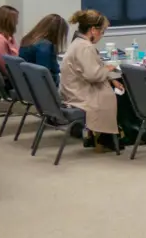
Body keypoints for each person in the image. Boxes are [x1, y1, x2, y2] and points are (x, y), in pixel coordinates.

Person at [60, 9, 122, 151]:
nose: (102, 35)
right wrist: (109, 70)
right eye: (102, 31)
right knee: (120, 94)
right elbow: (94, 75)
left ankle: (110, 136)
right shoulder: (85, 47)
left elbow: (91, 70)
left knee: (116, 87)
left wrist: (110, 78)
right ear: (93, 30)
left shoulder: (77, 43)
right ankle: (107, 138)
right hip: (82, 95)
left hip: (74, 90)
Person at [18, 13, 69, 85]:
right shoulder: (45, 46)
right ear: (56, 33)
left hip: (27, 86)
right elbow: (44, 75)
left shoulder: (27, 40)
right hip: (41, 89)